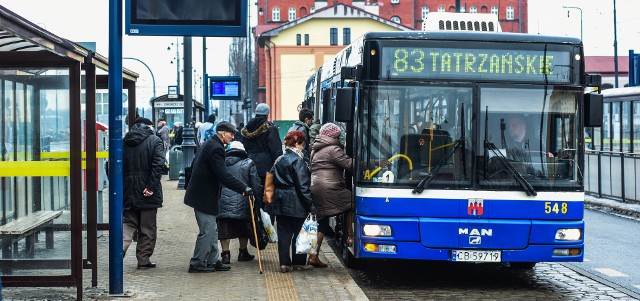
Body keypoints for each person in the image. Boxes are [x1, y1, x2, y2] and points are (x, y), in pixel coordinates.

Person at [184, 121, 253, 273]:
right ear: (223, 133)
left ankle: (213, 260)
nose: (233, 137)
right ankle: (197, 263)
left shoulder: (211, 144)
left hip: (204, 194)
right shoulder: (216, 148)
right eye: (231, 134)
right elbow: (223, 174)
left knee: (213, 229)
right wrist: (243, 187)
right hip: (204, 196)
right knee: (207, 231)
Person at [122, 117, 165, 269]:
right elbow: (158, 164)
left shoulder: (123, 141)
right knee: (147, 227)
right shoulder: (154, 141)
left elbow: (111, 166)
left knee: (128, 223)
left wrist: (121, 187)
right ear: (149, 127)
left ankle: (120, 249)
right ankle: (143, 259)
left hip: (127, 190)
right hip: (148, 191)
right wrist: (151, 186)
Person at [309, 123, 353, 268]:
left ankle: (313, 255)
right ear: (334, 136)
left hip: (317, 186)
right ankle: (350, 236)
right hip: (330, 187)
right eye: (338, 135)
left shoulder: (316, 149)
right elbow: (350, 165)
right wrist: (369, 163)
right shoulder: (333, 149)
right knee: (351, 203)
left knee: (322, 221)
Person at [271, 130, 315, 273]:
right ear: (297, 143)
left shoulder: (279, 159)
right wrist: (310, 205)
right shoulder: (298, 161)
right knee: (299, 233)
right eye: (302, 144)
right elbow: (303, 187)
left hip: (280, 199)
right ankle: (298, 262)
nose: (303, 147)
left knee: (284, 233)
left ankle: (284, 263)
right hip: (296, 202)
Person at [217, 141, 262, 264]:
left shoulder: (221, 163)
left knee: (224, 229)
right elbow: (256, 184)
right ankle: (243, 252)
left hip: (223, 201)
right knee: (243, 227)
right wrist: (258, 199)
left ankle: (225, 255)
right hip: (243, 201)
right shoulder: (248, 163)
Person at [240, 103, 283, 213]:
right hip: (266, 168)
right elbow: (276, 150)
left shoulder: (246, 129)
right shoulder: (270, 128)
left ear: (256, 113)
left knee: (253, 195)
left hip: (249, 166)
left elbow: (243, 148)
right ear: (267, 114)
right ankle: (266, 225)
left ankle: (254, 222)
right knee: (267, 197)